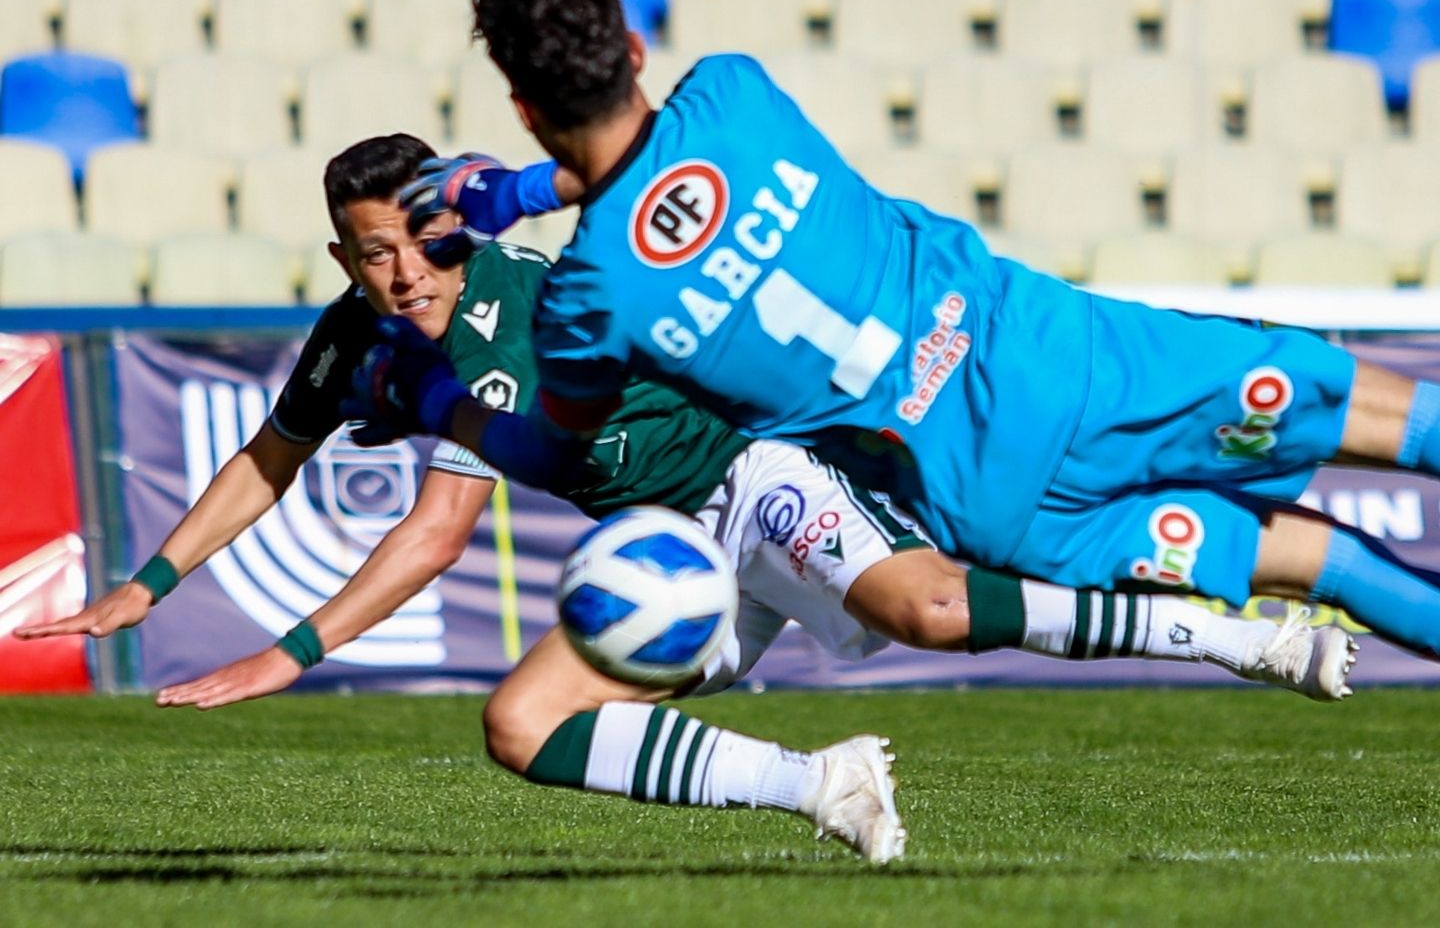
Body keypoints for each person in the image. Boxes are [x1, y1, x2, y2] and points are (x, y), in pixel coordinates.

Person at [372, 0, 1440, 753]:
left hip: (986, 496)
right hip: (1059, 356)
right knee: (1416, 423)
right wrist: (540, 186)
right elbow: (646, 164)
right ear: (636, 41)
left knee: (1328, 570)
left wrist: (442, 367)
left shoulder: (585, 307)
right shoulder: (740, 92)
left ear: (516, 105)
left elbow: (561, 424)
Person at [17, 133, 1359, 865]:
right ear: (344, 258)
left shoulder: (517, 319)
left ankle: (1260, 636)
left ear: (459, 233)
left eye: (426, 243)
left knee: (931, 613)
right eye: (377, 253)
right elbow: (270, 459)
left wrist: (281, 656)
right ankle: (820, 785)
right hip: (660, 546)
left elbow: (431, 537)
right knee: (520, 725)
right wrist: (151, 584)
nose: (406, 272)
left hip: (758, 478)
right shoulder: (354, 344)